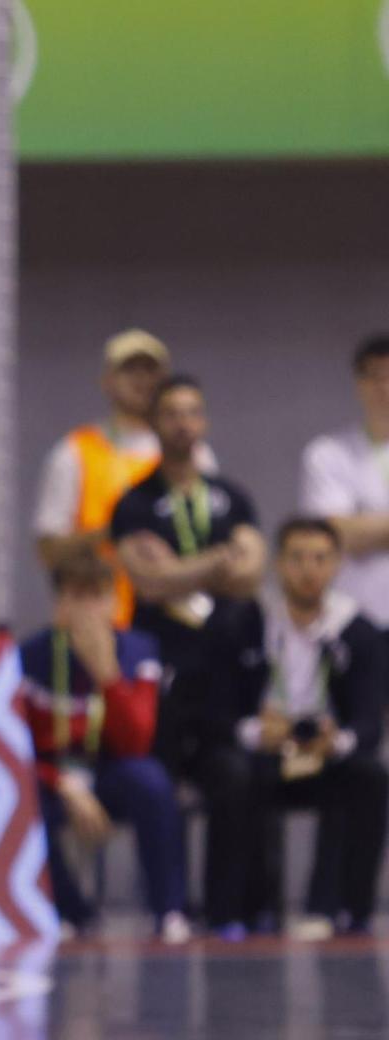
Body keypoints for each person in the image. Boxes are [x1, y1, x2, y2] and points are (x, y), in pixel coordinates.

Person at [110, 374, 266, 933]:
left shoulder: (232, 496)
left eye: (192, 412)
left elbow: (251, 573)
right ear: (155, 424)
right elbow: (148, 583)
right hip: (162, 672)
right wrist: (217, 558)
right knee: (161, 786)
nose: (183, 423)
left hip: (223, 674)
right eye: (171, 413)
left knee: (234, 779)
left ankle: (225, 914)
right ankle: (169, 909)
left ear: (204, 423)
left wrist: (181, 569)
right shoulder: (135, 503)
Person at [202, 519, 385, 940]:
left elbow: (369, 723)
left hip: (322, 757)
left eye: (320, 559)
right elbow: (214, 713)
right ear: (279, 565)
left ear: (337, 565)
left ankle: (343, 908)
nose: (309, 570)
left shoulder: (360, 632)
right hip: (262, 756)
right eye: (297, 558)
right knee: (231, 773)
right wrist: (254, 731)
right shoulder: (243, 623)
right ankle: (238, 910)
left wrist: (336, 739)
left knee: (369, 776)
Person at [18, 551, 185, 940]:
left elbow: (136, 742)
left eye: (99, 596)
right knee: (22, 799)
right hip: (55, 777)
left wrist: (107, 672)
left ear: (113, 601)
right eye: (78, 597)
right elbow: (16, 747)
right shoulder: (29, 657)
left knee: (151, 781)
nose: (90, 609)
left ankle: (169, 911)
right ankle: (70, 914)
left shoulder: (139, 651)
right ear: (59, 604)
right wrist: (62, 783)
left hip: (112, 770)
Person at [31, 329, 178, 627]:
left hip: (171, 622)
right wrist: (114, 531)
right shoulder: (74, 452)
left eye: (150, 370)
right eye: (129, 369)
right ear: (107, 380)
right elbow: (48, 551)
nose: (141, 379)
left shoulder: (188, 454)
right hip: (99, 622)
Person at [298, 334, 389, 632]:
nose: (384, 387)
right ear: (359, 383)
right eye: (375, 377)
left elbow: (355, 532)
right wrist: (350, 531)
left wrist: (366, 526)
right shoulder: (327, 453)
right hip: (355, 615)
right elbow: (335, 535)